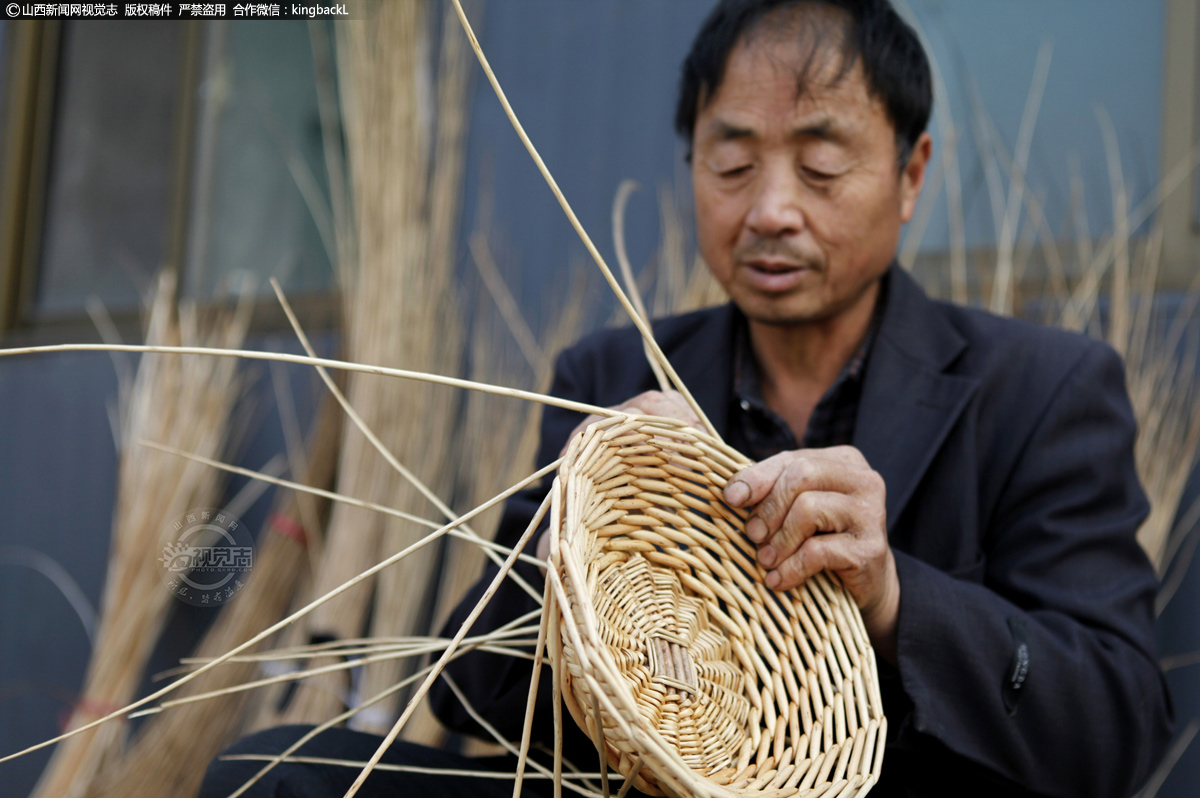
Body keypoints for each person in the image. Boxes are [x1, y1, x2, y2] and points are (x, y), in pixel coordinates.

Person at [202, 1, 1172, 796]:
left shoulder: (1043, 386)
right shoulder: (613, 371)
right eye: (734, 163)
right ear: (691, 166)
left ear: (911, 174)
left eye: (823, 164)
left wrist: (892, 596)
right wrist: (583, 518)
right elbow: (476, 698)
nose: (771, 209)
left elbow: (1119, 726)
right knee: (273, 775)